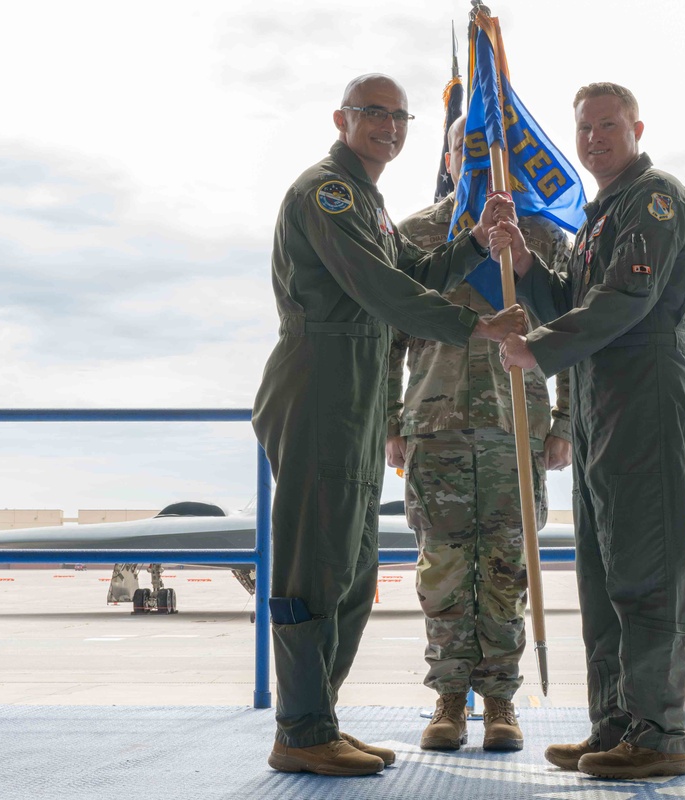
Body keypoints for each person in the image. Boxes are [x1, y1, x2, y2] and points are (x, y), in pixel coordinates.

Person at [252, 73, 526, 778]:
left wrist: (474, 240)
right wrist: (478, 324)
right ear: (341, 118)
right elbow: (385, 290)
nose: (391, 126)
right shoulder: (330, 193)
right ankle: (301, 728)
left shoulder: (369, 203)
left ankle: (318, 722)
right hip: (321, 387)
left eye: (399, 116)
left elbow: (417, 269)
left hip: (357, 393)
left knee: (351, 568)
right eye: (374, 113)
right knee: (315, 563)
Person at [495, 82, 685, 780]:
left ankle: (660, 735)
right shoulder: (599, 218)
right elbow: (578, 298)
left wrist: (541, 346)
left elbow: (628, 298)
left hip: (642, 392)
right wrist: (527, 267)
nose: (593, 139)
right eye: (584, 128)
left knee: (646, 569)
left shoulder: (654, 200)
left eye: (607, 126)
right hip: (597, 400)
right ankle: (615, 723)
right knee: (602, 571)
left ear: (636, 127)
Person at [386, 115, 572, 752]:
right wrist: (390, 421)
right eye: (464, 145)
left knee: (506, 570)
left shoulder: (542, 233)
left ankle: (500, 704)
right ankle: (448, 700)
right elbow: (387, 333)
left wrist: (566, 424)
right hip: (433, 428)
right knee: (441, 569)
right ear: (447, 150)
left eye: (487, 145)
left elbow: (572, 329)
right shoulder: (417, 234)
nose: (475, 156)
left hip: (514, 429)